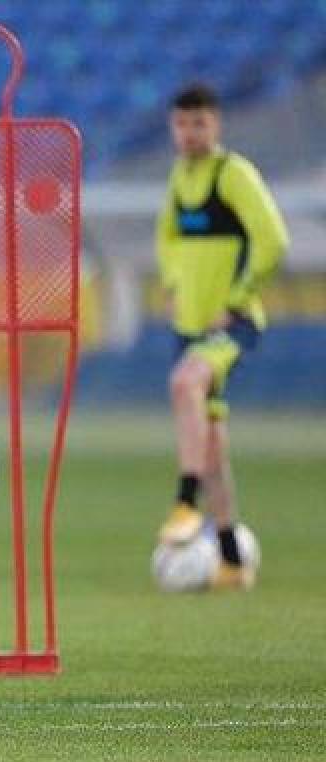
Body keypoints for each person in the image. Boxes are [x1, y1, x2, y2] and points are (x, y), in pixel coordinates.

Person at [155, 84, 288, 590]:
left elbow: (273, 238)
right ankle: (232, 558)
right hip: (188, 324)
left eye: (200, 124)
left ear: (217, 126)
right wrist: (172, 283)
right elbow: (166, 236)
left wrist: (239, 295)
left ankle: (186, 504)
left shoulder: (233, 175)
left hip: (230, 323)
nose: (190, 134)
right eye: (182, 124)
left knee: (184, 383)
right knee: (212, 444)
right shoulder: (179, 176)